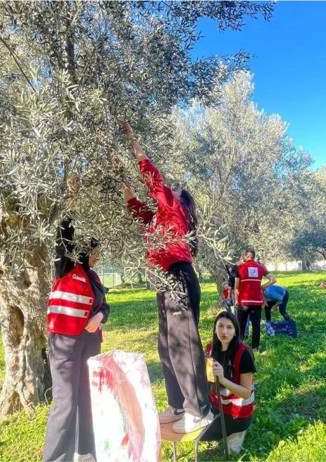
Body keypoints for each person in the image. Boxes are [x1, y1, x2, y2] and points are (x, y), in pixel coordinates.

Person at [116, 120, 212, 434]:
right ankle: (177, 405)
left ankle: (199, 410)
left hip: (179, 279)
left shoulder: (174, 209)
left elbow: (152, 179)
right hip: (164, 283)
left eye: (169, 194)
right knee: (166, 346)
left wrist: (134, 142)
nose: (163, 196)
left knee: (184, 344)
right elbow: (134, 207)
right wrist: (119, 175)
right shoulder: (157, 216)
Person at [44, 175, 109, 461]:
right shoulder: (65, 268)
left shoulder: (93, 277)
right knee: (66, 402)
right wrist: (72, 195)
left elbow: (105, 306)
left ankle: (86, 452)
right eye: (94, 253)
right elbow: (63, 233)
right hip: (65, 344)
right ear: (82, 253)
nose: (97, 258)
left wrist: (100, 317)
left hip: (90, 344)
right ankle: (57, 457)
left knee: (87, 398)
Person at [204, 311, 255, 453]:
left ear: (235, 331)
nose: (224, 331)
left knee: (204, 434)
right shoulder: (210, 349)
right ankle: (228, 431)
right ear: (215, 328)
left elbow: (246, 393)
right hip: (216, 404)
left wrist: (223, 379)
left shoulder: (244, 353)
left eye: (229, 327)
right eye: (220, 326)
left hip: (238, 413)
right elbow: (207, 380)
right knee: (195, 430)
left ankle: (237, 431)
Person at [234, 249, 276, 351]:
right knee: (256, 325)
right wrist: (261, 287)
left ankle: (239, 347)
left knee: (241, 324)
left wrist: (236, 298)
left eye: (243, 255)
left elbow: (236, 286)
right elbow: (273, 279)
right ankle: (255, 347)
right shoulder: (261, 268)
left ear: (246, 256)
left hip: (243, 301)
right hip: (257, 301)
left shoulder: (239, 268)